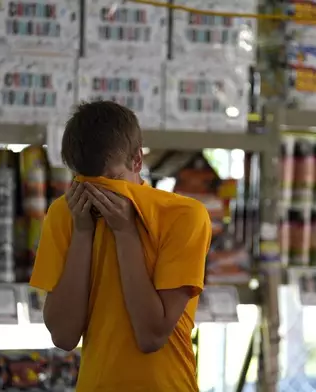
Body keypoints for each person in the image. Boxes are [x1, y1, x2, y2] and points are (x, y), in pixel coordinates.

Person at [30, 100, 212, 392]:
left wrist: (125, 232)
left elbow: (151, 336)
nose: (101, 196)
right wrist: (81, 233)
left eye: (113, 182)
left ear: (137, 161)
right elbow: (63, 336)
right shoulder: (67, 212)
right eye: (86, 183)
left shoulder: (182, 216)